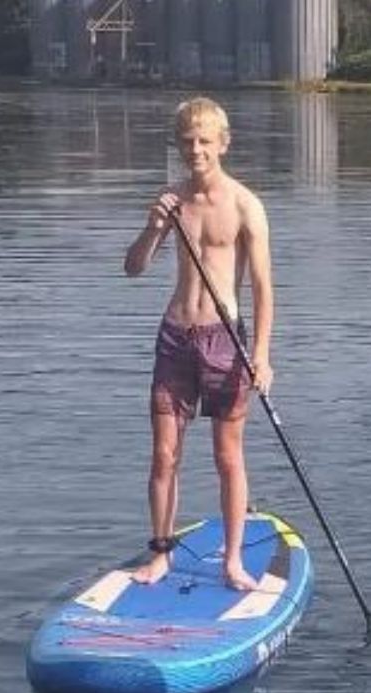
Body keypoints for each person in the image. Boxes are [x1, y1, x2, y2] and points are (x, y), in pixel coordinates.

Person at [124, 96, 273, 591]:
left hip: (225, 342)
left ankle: (232, 561)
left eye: (205, 141)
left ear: (223, 144)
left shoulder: (246, 205)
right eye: (187, 142)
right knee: (164, 455)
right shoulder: (170, 201)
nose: (196, 150)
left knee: (228, 457)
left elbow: (263, 290)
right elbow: (133, 267)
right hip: (175, 338)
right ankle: (160, 554)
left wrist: (263, 357)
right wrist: (152, 229)